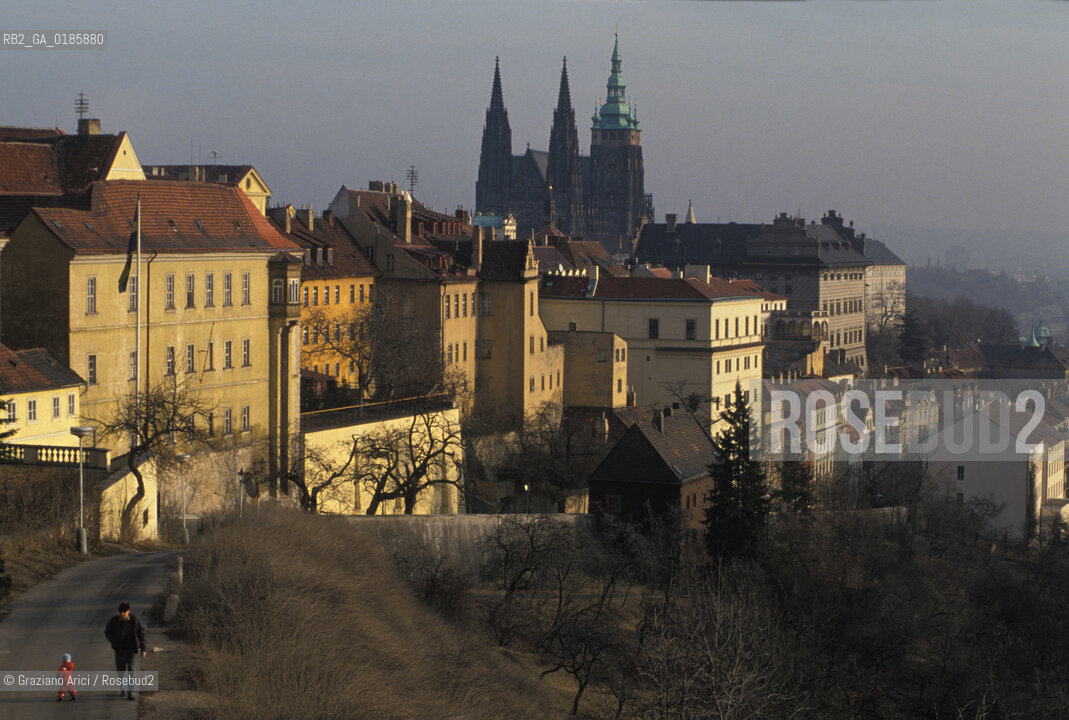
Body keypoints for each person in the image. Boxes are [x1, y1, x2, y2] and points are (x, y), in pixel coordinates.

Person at [104, 601, 146, 701]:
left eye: (124, 612)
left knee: (131, 669)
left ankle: (131, 693)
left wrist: (143, 648)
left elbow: (142, 633)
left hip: (132, 650)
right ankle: (123, 689)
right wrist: (113, 642)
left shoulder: (135, 620)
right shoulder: (114, 621)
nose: (122, 614)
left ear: (128, 611)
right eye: (120, 612)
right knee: (121, 671)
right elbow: (107, 632)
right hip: (120, 650)